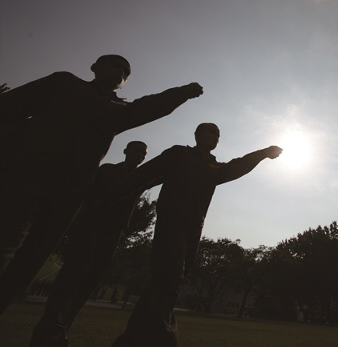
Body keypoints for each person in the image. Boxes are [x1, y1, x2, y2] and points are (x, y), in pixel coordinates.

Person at [0, 55, 203, 314]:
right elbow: (8, 108)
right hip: (28, 176)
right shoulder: (64, 84)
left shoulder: (116, 111)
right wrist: (18, 150)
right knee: (7, 240)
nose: (120, 71)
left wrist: (181, 93)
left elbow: (149, 107)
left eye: (125, 72)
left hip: (70, 192)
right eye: (114, 65)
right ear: (95, 67)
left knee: (30, 260)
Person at [112, 123, 282, 346]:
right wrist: (111, 196)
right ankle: (162, 338)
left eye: (217, 134)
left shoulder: (214, 168)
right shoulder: (179, 154)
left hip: (193, 229)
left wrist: (263, 154)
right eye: (209, 131)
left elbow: (237, 165)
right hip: (170, 224)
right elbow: (146, 174)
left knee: (169, 282)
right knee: (169, 278)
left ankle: (132, 339)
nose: (214, 136)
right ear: (197, 134)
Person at [29, 141, 149, 346]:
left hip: (113, 232)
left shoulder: (141, 177)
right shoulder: (108, 171)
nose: (140, 155)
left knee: (91, 280)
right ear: (126, 151)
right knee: (71, 275)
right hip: (92, 225)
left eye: (143, 153)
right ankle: (49, 326)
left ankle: (63, 327)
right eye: (136, 151)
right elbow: (90, 195)